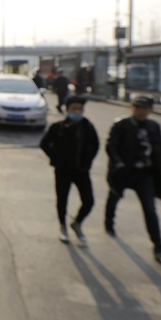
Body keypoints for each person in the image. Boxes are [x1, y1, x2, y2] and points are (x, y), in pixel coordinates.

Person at [104, 95, 161, 259]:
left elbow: (160, 149)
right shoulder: (121, 125)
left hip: (145, 174)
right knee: (114, 197)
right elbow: (111, 146)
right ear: (132, 108)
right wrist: (118, 164)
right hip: (124, 172)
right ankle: (109, 220)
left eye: (144, 108)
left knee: (150, 209)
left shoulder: (153, 127)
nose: (140, 111)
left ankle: (158, 246)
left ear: (150, 110)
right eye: (137, 108)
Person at [40, 95, 100, 244]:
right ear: (67, 110)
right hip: (62, 171)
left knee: (89, 201)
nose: (77, 112)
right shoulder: (58, 127)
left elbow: (95, 145)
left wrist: (88, 161)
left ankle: (77, 223)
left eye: (80, 109)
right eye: (74, 109)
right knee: (62, 200)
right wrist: (55, 158)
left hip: (82, 171)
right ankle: (63, 226)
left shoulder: (88, 127)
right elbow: (44, 144)